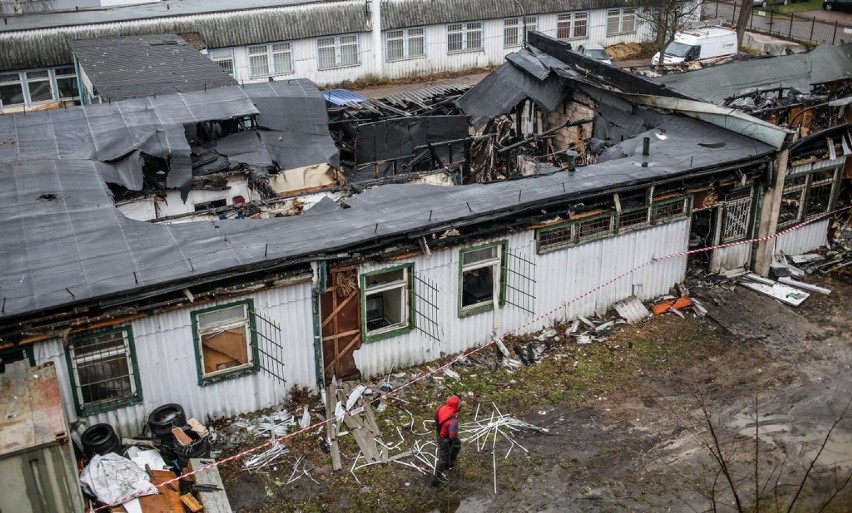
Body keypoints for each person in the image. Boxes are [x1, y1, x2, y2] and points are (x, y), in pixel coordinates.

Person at [432, 394, 461, 487]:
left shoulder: (441, 407)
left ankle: (451, 463)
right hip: (445, 440)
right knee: (443, 459)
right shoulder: (453, 421)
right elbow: (452, 437)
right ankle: (435, 481)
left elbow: (436, 419)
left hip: (439, 433)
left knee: (457, 445)